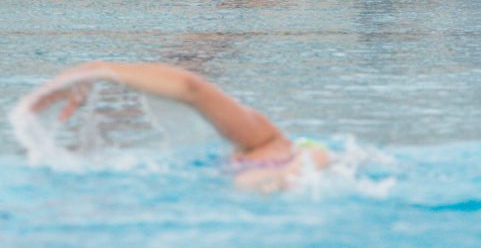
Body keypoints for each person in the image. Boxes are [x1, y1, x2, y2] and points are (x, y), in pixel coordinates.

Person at [26, 61, 330, 193]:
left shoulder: (265, 143)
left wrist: (92, 69)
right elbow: (190, 88)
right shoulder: (272, 147)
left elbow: (190, 87)